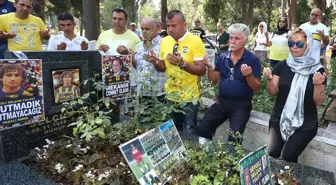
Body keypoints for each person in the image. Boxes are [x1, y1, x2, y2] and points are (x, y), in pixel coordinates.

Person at [263, 28, 327, 162]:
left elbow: (319, 102)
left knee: (288, 156)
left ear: (307, 45)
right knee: (272, 152)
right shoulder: (282, 66)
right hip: (280, 116)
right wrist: (269, 79)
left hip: (305, 121)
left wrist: (318, 85)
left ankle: (289, 181)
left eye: (299, 44)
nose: (295, 47)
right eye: (291, 44)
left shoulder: (317, 70)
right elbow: (273, 92)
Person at [195, 23, 261, 144]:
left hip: (241, 105)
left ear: (245, 40)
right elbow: (213, 80)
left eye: (237, 38)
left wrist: (249, 76)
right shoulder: (222, 57)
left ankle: (231, 162)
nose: (232, 41)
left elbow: (257, 88)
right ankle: (204, 156)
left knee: (234, 139)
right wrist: (209, 67)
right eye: (231, 38)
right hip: (222, 102)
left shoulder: (252, 60)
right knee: (202, 129)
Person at [150, 10, 206, 134]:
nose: (170, 29)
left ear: (185, 25)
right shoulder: (165, 41)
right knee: (172, 133)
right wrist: (155, 62)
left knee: (189, 132)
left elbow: (202, 70)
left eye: (174, 25)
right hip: (170, 96)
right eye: (168, 25)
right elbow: (163, 67)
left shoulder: (195, 41)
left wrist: (182, 63)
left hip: (189, 98)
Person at [134, 17, 165, 101]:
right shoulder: (140, 45)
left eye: (147, 29)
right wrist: (129, 56)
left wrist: (156, 62)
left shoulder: (164, 44)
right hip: (142, 93)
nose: (144, 32)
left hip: (158, 95)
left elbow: (165, 67)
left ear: (157, 28)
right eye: (142, 29)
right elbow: (137, 65)